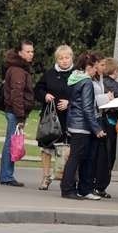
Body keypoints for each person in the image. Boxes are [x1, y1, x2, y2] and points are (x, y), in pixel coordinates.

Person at [60, 52, 106, 200]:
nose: (95, 71)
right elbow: (87, 108)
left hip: (74, 123)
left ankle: (72, 188)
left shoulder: (74, 78)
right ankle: (67, 189)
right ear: (88, 67)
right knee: (75, 158)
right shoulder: (86, 82)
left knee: (76, 157)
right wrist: (96, 128)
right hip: (82, 126)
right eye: (94, 68)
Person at [34, 45, 74, 190]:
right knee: (46, 149)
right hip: (50, 118)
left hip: (69, 118)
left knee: (67, 150)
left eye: (67, 57)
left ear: (71, 58)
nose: (64, 61)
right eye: (61, 58)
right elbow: (38, 89)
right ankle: (45, 177)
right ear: (57, 59)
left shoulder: (77, 74)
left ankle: (65, 177)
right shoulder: (49, 74)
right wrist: (45, 95)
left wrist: (70, 103)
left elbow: (83, 94)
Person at [0, 40, 35, 187]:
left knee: (12, 142)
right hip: (15, 112)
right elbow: (17, 94)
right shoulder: (18, 70)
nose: (31, 54)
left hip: (15, 111)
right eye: (28, 51)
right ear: (20, 53)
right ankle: (7, 176)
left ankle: (7, 175)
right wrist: (21, 115)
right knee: (11, 143)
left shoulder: (19, 68)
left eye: (32, 51)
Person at [90, 54, 114, 198]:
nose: (104, 68)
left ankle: (99, 185)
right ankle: (91, 184)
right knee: (94, 154)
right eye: (102, 65)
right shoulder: (90, 80)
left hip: (100, 116)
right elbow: (92, 100)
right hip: (94, 118)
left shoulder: (99, 79)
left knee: (103, 154)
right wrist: (107, 98)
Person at [102, 58, 118, 176]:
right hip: (111, 120)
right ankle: (105, 176)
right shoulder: (116, 86)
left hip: (100, 120)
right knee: (110, 151)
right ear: (115, 71)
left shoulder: (100, 82)